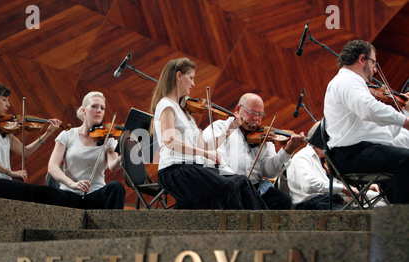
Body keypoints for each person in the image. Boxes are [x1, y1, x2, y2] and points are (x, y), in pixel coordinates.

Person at [150, 57, 266, 209]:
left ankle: (259, 227)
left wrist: (232, 127)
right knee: (233, 186)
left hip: (191, 169)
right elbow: (169, 141)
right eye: (191, 78)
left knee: (242, 184)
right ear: (179, 76)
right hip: (175, 170)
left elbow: (206, 146)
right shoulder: (166, 105)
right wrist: (204, 153)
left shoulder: (186, 114)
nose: (193, 83)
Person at [324, 40, 409, 204]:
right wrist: (404, 121)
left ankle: (396, 217)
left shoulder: (353, 83)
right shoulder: (347, 80)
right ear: (362, 59)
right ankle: (403, 222)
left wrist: (403, 111)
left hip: (359, 151)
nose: (375, 70)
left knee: (399, 159)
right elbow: (369, 108)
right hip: (349, 154)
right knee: (405, 160)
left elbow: (384, 133)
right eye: (373, 63)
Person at [202, 93, 306, 209]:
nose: (256, 119)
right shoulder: (220, 127)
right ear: (237, 109)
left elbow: (269, 172)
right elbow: (214, 160)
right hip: (227, 186)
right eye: (252, 113)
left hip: (254, 189)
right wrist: (237, 182)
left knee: (282, 200)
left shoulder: (264, 137)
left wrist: (288, 150)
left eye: (260, 115)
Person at [0, 83, 65, 205]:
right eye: (4, 100)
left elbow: (25, 152)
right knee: (46, 193)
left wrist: (48, 133)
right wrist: (10, 172)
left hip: (2, 181)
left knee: (47, 193)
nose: (8, 104)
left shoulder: (3, 128)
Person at [48, 91, 125, 209]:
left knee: (116, 187)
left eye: (102, 108)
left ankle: (112, 227)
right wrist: (72, 184)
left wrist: (127, 153)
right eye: (94, 106)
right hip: (69, 193)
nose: (99, 110)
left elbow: (113, 166)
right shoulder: (67, 135)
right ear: (84, 110)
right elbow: (52, 166)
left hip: (95, 195)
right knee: (49, 194)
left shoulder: (109, 138)